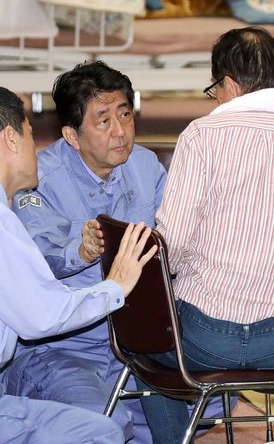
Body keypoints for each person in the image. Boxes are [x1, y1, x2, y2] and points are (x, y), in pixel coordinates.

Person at [135, 27, 274, 444]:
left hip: (201, 339)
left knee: (146, 352)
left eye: (214, 88)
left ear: (230, 84)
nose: (215, 97)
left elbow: (172, 248)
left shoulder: (202, 136)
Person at [2, 61, 166, 443]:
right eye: (104, 121)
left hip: (133, 341)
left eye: (125, 114)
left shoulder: (146, 166)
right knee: (105, 425)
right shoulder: (37, 179)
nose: (121, 131)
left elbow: (171, 241)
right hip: (64, 348)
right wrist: (80, 249)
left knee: (199, 405)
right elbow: (36, 281)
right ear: (72, 137)